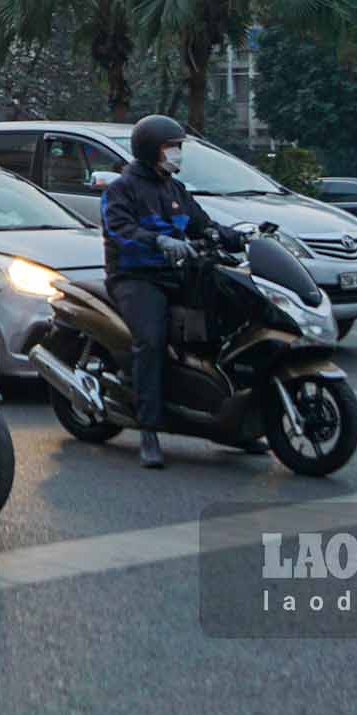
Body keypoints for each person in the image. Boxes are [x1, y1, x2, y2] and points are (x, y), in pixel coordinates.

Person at [100, 113, 236, 469]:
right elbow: (119, 229)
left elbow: (202, 224)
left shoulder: (175, 189)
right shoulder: (122, 188)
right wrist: (158, 241)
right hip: (135, 277)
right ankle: (149, 429)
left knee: (223, 323)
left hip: (177, 274)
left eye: (177, 147)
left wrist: (238, 235)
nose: (176, 153)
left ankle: (233, 420)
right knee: (151, 339)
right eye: (170, 147)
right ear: (150, 150)